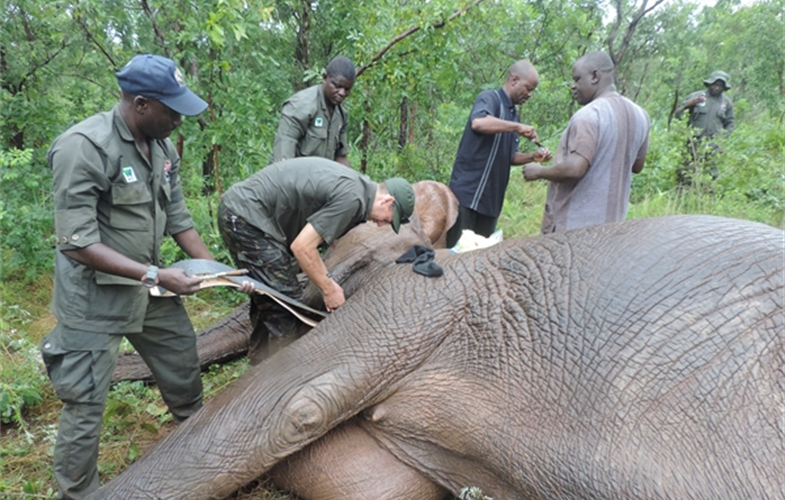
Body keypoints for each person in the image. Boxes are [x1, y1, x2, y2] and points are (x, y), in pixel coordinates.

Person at [41, 54, 251, 500]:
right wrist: (155, 273)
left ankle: (197, 455)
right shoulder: (84, 146)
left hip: (150, 288)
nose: (178, 119)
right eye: (171, 110)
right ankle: (79, 493)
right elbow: (76, 243)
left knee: (182, 365)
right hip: (94, 298)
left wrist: (220, 271)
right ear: (140, 104)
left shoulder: (163, 148)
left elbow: (178, 218)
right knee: (85, 404)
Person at [218, 157, 415, 361]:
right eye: (388, 219)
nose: (382, 224)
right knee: (288, 303)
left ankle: (259, 358)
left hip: (244, 210)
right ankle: (281, 373)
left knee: (270, 292)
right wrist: (328, 289)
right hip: (245, 217)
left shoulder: (358, 188)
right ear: (387, 201)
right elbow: (302, 247)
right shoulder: (353, 198)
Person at [523, 51, 650, 234]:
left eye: (577, 79)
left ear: (595, 76)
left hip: (574, 230)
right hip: (613, 228)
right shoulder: (640, 115)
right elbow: (637, 166)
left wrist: (540, 171)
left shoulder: (590, 115)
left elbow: (575, 168)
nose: (573, 86)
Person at [446, 60, 551, 248]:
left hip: (491, 202)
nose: (529, 94)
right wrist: (517, 127)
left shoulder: (513, 115)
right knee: (458, 253)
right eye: (528, 88)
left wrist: (533, 156)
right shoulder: (490, 98)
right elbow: (478, 122)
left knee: (481, 255)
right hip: (467, 196)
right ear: (514, 80)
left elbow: (510, 156)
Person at [270, 56, 356, 167]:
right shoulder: (300, 106)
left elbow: (340, 156)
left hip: (319, 179)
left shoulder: (341, 115)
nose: (342, 93)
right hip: (290, 177)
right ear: (325, 78)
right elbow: (282, 160)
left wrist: (354, 181)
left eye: (347, 89)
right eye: (337, 86)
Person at [674, 70, 735, 184]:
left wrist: (722, 141)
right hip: (693, 143)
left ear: (724, 87)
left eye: (720, 86)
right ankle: (680, 197)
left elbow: (730, 123)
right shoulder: (696, 96)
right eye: (715, 84)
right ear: (710, 83)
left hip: (713, 145)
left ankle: (706, 198)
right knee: (685, 173)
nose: (716, 88)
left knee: (710, 176)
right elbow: (678, 115)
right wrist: (689, 104)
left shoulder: (726, 103)